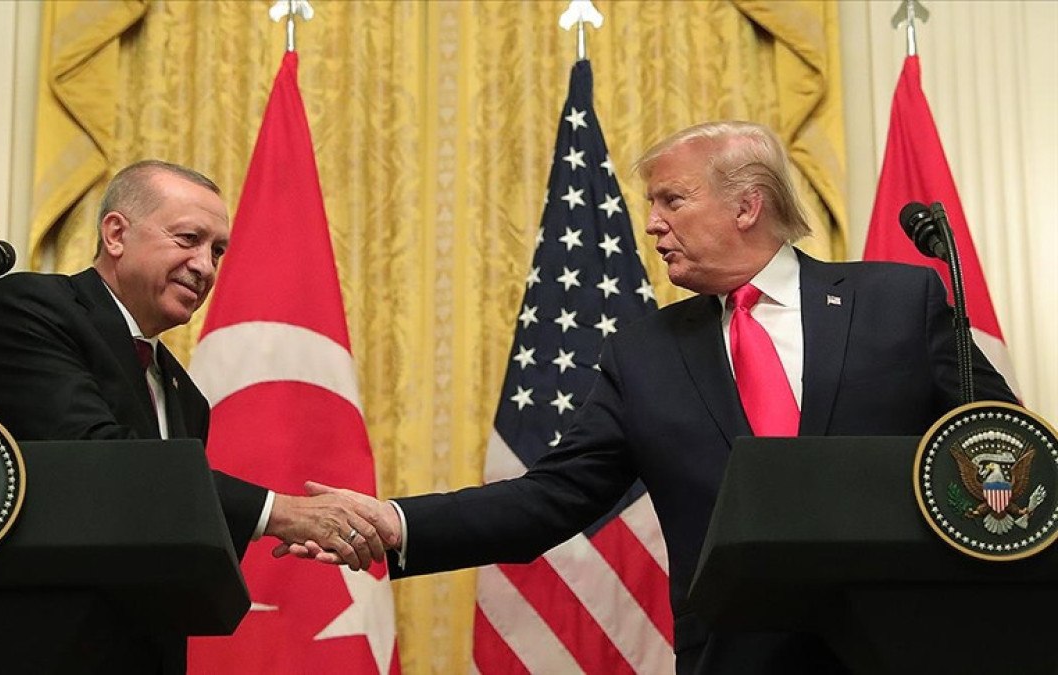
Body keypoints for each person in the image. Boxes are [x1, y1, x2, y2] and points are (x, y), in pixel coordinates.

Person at [284, 121, 1017, 674]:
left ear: (747, 205)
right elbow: (551, 498)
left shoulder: (898, 302)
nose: (653, 223)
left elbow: (1005, 450)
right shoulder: (645, 353)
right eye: (651, 203)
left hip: (908, 648)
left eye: (672, 199)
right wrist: (394, 521)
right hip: (735, 657)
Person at [0, 161, 383, 669]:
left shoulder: (183, 394)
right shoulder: (34, 307)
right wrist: (280, 513)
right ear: (116, 234)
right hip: (44, 650)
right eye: (188, 239)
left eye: (217, 251)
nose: (205, 266)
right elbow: (95, 459)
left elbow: (173, 533)